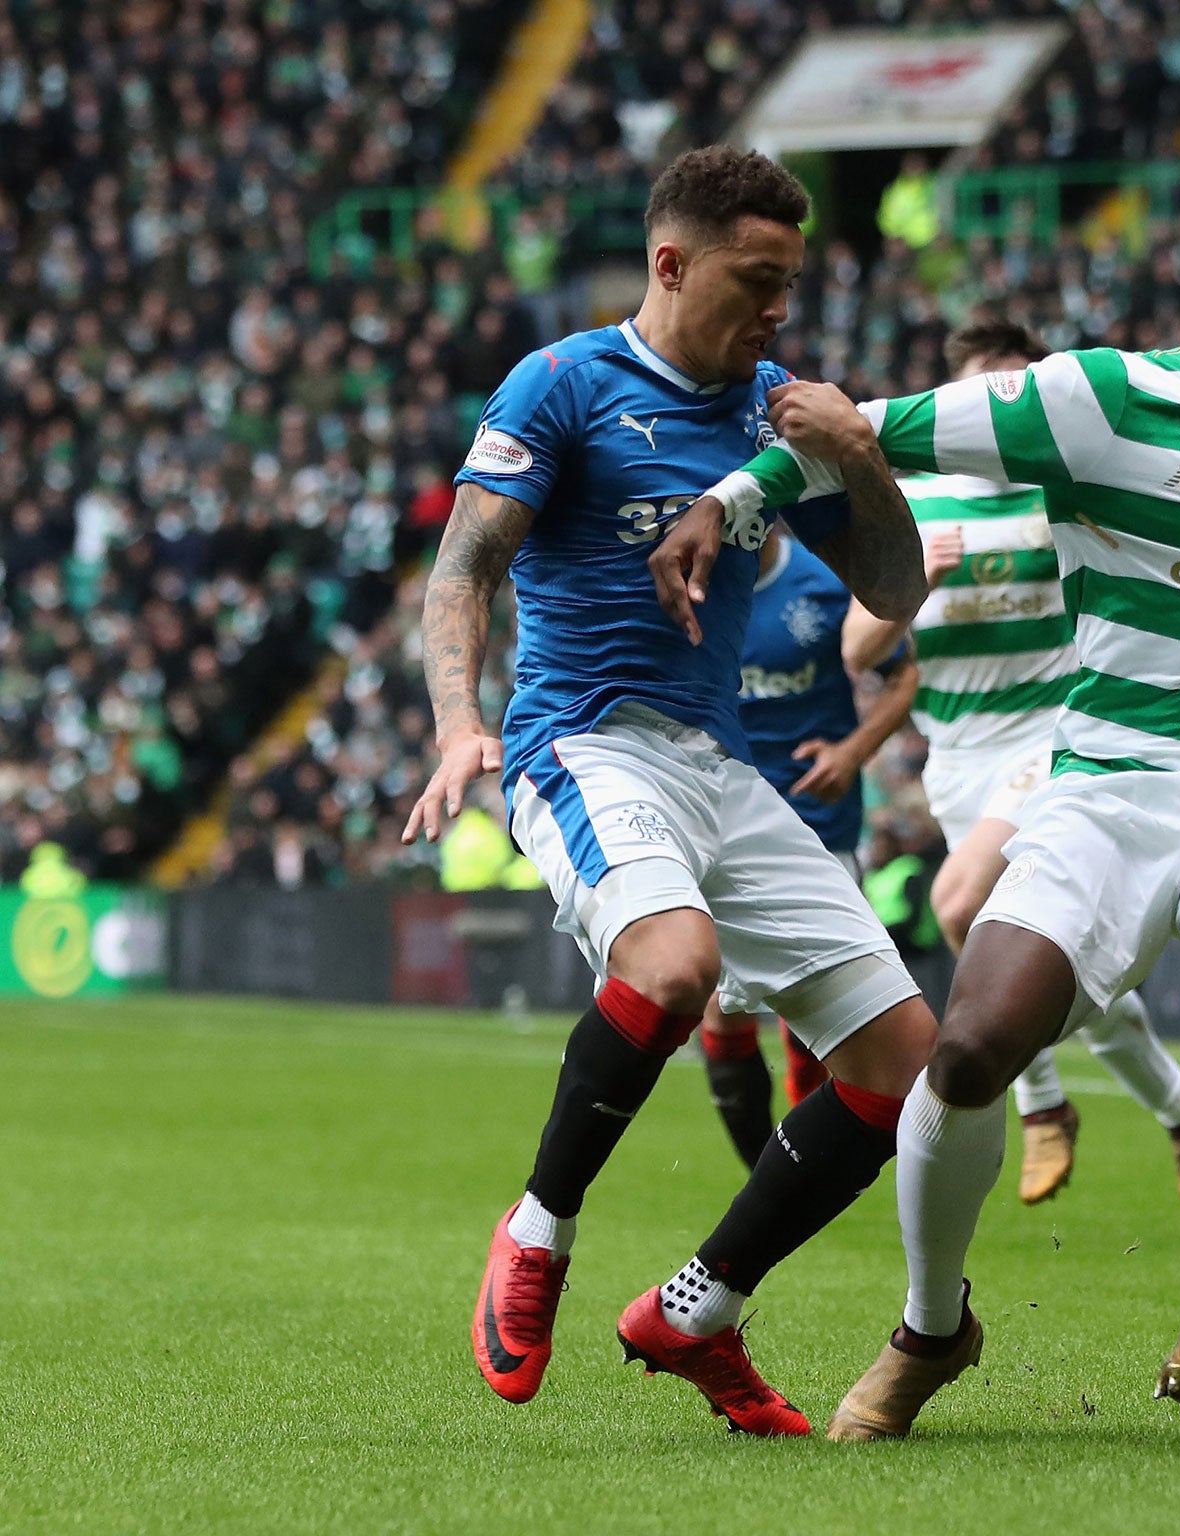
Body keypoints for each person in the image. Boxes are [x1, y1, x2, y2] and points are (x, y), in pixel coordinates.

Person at [671, 211, 1180, 1436]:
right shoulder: (1102, 403)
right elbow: (861, 432)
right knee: (968, 1051)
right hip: (1102, 796)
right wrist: (737, 495)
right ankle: (933, 1327)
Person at [399, 146, 933, 1437]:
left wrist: (854, 457)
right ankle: (537, 1230)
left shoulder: (773, 412)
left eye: (792, 282)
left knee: (903, 1060)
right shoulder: (564, 384)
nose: (778, 309)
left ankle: (697, 1311)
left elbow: (899, 594)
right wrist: (460, 722)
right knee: (676, 965)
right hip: (584, 743)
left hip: (717, 766)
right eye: (757, 279)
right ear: (670, 262)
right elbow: (465, 568)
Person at [840, 320, 1180, 1214]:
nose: (1008, 416)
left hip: (1057, 738)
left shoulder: (1070, 488)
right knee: (1043, 958)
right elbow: (858, 650)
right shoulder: (913, 500)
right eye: (988, 396)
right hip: (959, 762)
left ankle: (1043, 1101)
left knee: (960, 903)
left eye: (1024, 394)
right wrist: (908, 587)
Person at [700, 519, 921, 1165]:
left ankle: (805, 1162)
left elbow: (903, 675)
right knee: (723, 1009)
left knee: (817, 1008)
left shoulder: (823, 583)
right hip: (719, 826)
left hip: (817, 826)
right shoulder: (691, 583)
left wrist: (853, 753)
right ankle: (760, 1173)